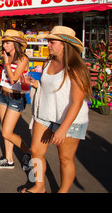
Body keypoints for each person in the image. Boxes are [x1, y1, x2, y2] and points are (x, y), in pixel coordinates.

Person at [21, 26, 91, 193]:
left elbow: (76, 102)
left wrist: (63, 129)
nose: (48, 44)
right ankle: (39, 186)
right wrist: (35, 83)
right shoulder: (48, 63)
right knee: (36, 152)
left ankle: (63, 191)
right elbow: (50, 88)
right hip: (45, 114)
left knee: (65, 159)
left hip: (69, 119)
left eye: (52, 42)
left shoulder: (76, 68)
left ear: (65, 45)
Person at [0, 29, 31, 170]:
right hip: (3, 96)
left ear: (16, 43)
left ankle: (28, 152)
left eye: (7, 43)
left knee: (6, 132)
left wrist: (7, 63)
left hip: (16, 98)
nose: (4, 46)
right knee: (5, 129)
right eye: (4, 43)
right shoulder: (6, 56)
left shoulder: (23, 58)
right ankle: (9, 159)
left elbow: (14, 79)